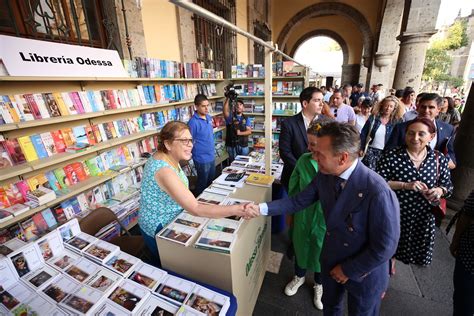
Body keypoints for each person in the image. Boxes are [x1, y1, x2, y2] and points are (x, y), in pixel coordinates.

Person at [246, 122, 400, 315]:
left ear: (343, 158)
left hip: (364, 272)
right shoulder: (325, 174)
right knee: (330, 307)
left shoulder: (378, 191)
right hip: (331, 258)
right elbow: (298, 201)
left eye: (320, 154)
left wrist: (347, 270)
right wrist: (259, 208)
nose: (313, 156)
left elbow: (385, 246)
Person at [139, 121, 250, 265]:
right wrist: (238, 209)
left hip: (172, 215)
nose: (191, 145)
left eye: (191, 140)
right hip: (158, 226)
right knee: (171, 265)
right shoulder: (164, 170)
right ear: (167, 144)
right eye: (185, 141)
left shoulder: (169, 156)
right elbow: (195, 208)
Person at [377, 117, 453, 267]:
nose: (415, 138)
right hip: (394, 214)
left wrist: (438, 190)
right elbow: (378, 183)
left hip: (422, 218)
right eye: (410, 133)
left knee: (414, 255)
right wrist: (405, 185)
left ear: (431, 136)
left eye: (421, 134)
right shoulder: (392, 156)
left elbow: (448, 187)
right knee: (386, 252)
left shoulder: (438, 159)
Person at [284, 118, 331, 310]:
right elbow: (293, 187)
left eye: (314, 144)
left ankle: (319, 284)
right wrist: (290, 213)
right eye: (308, 142)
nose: (309, 147)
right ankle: (299, 276)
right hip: (303, 214)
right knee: (301, 246)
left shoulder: (335, 163)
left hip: (325, 216)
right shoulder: (303, 160)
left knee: (322, 251)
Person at [385, 93, 456, 169]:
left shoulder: (448, 129)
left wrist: (443, 164)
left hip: (432, 175)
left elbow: (450, 155)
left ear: (438, 109)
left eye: (431, 107)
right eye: (423, 107)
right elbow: (388, 152)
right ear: (418, 107)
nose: (426, 110)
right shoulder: (401, 128)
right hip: (403, 171)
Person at [279, 86, 324, 191]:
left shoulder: (327, 123)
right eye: (317, 100)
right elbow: (285, 152)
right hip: (294, 177)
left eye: (322, 100)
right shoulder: (289, 124)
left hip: (319, 177)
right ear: (305, 103)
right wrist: (302, 169)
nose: (322, 104)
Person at [360, 96, 403, 170]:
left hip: (386, 153)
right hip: (370, 151)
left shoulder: (397, 122)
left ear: (394, 108)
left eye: (391, 106)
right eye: (386, 105)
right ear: (382, 105)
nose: (388, 108)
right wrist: (361, 148)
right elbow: (363, 133)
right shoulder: (374, 118)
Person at [450, 190, 474, 316]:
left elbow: (466, 215)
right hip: (469, 255)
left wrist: (455, 242)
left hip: (469, 258)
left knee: (464, 303)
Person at [188, 94, 216, 196]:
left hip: (211, 155)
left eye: (207, 105)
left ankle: (209, 202)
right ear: (196, 106)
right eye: (203, 106)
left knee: (211, 182)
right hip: (201, 158)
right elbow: (190, 140)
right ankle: (198, 203)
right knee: (202, 183)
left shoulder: (208, 117)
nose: (206, 108)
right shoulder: (193, 122)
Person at [223, 97, 252, 162]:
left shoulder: (246, 118)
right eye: (237, 104)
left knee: (244, 163)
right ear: (234, 108)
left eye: (240, 105)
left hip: (243, 145)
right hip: (232, 145)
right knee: (233, 163)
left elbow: (249, 131)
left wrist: (240, 133)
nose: (238, 106)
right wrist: (228, 98)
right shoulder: (230, 117)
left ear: (243, 108)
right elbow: (225, 111)